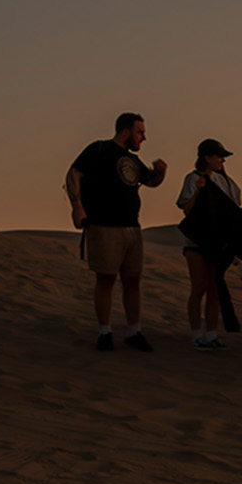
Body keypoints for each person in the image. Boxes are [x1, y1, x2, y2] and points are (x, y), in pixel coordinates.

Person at [66, 112, 167, 351]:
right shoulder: (99, 149)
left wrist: (161, 172)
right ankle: (105, 332)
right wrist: (77, 207)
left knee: (133, 280)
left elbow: (150, 181)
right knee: (106, 279)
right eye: (140, 132)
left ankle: (134, 332)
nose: (144, 138)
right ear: (126, 131)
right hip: (104, 226)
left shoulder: (132, 159)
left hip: (132, 228)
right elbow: (73, 174)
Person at [175, 139, 242, 350]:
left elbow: (231, 211)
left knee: (214, 288)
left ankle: (211, 334)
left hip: (218, 243)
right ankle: (196, 335)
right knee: (199, 286)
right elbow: (187, 210)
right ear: (207, 157)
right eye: (219, 156)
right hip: (197, 241)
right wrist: (198, 192)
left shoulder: (226, 182)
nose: (222, 160)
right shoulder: (193, 178)